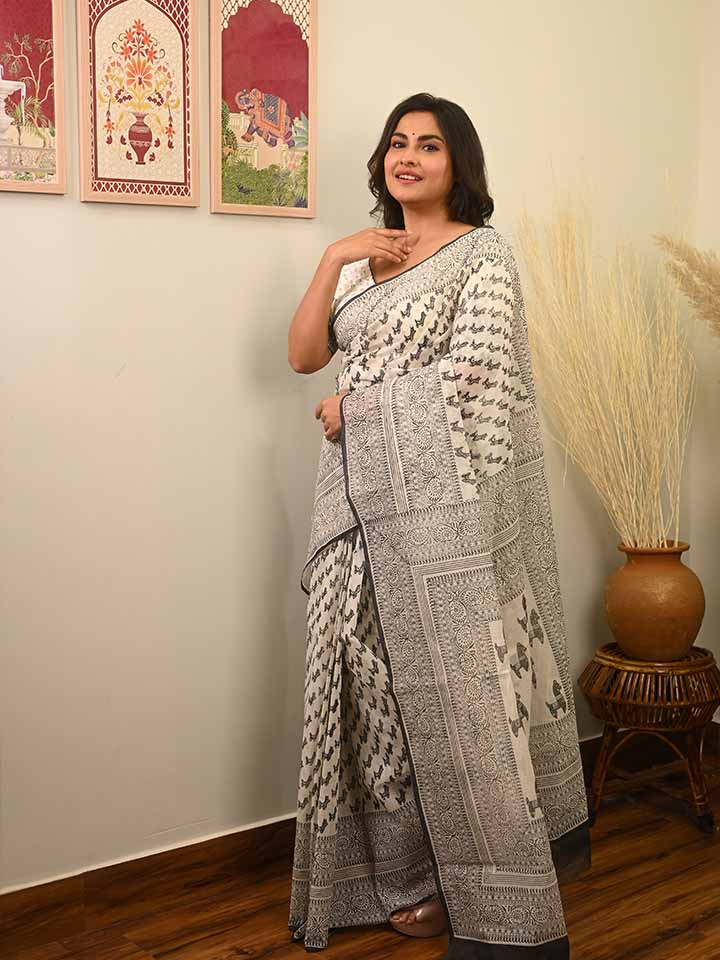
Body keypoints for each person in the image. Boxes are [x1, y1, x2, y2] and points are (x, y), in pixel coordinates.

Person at [286, 92, 591, 959]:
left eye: (428, 145)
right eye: (397, 142)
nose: (408, 157)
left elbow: (480, 380)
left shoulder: (482, 254)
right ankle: (408, 872)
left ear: (458, 163)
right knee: (372, 689)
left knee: (462, 694)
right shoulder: (362, 260)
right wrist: (334, 255)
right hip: (353, 502)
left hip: (445, 516)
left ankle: (480, 887)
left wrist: (359, 411)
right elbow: (304, 355)